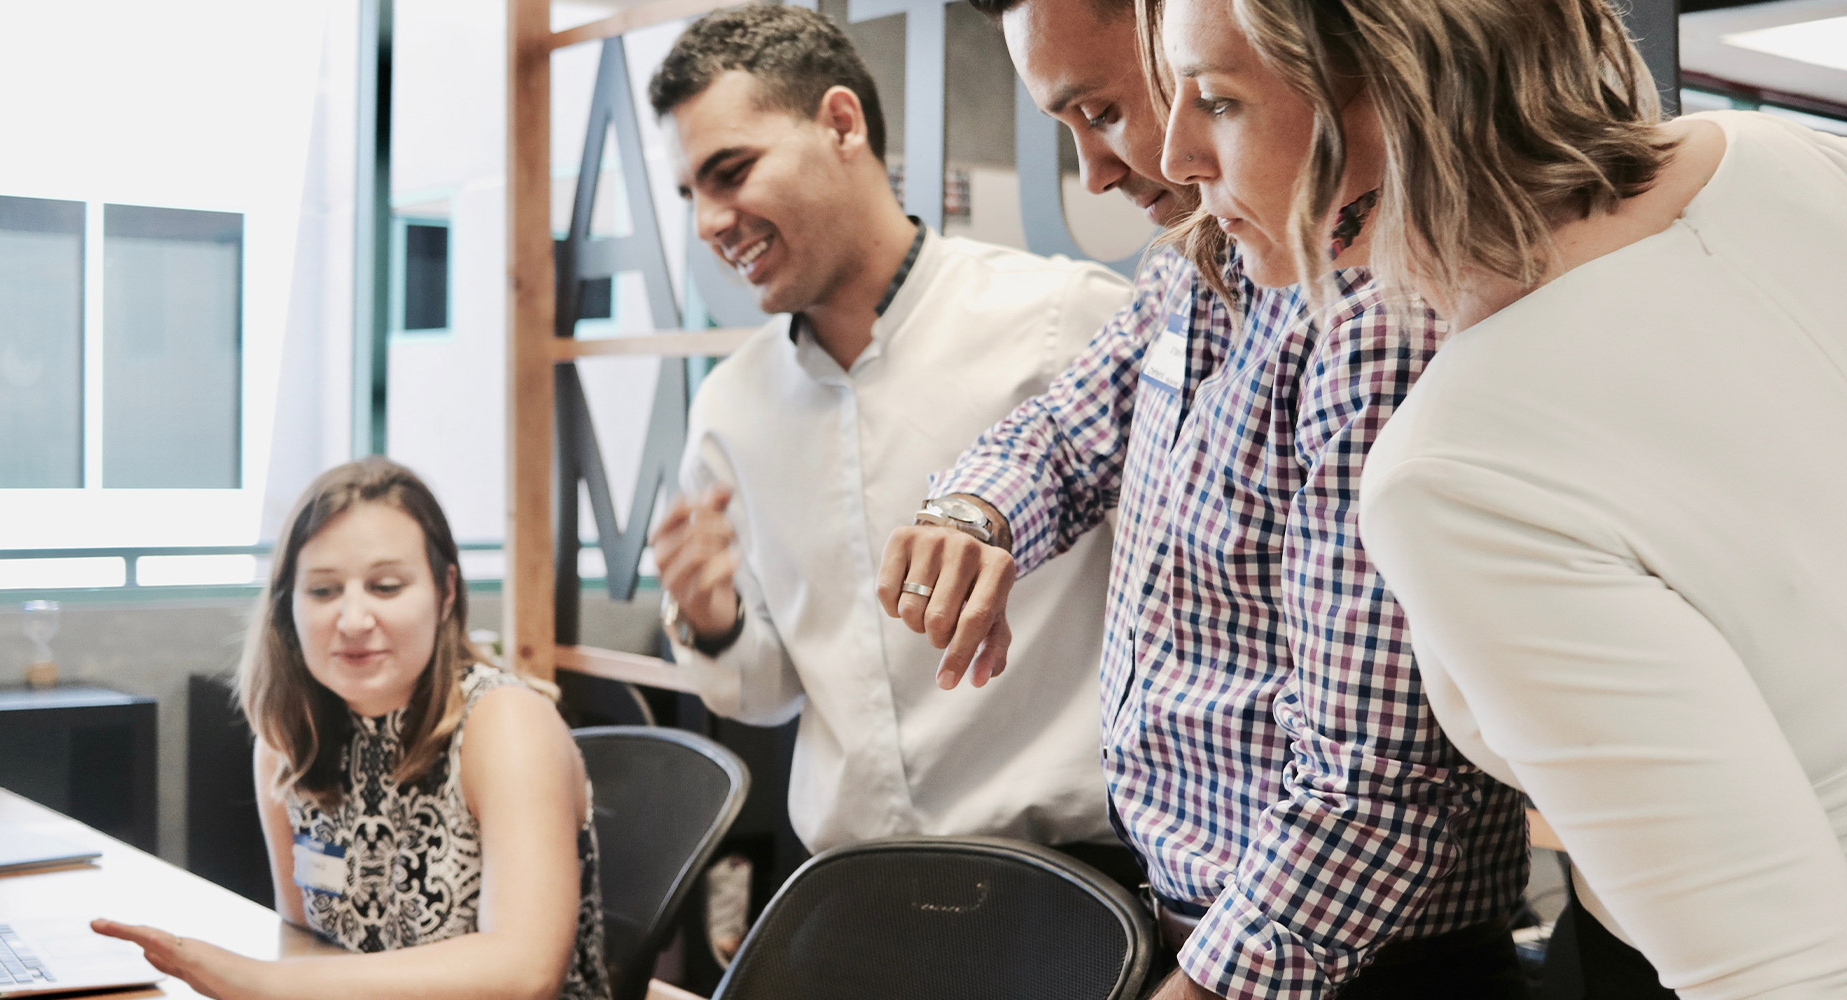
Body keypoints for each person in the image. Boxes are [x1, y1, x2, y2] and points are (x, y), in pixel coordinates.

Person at [1149, 0, 1847, 996]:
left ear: (1400, 88)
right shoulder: (1778, 157)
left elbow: (1780, 969)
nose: (1176, 155)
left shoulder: (1455, 470)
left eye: (1217, 101)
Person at [879, 0, 1535, 995]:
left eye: (1102, 111)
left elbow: (1377, 782)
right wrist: (973, 514)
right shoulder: (1209, 257)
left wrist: (1215, 981)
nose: (1100, 171)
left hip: (1349, 967)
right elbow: (1064, 428)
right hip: (1200, 927)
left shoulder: (1381, 312)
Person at [638, 2, 1133, 876]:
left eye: (731, 171)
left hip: (1070, 882)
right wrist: (710, 620)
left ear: (840, 122)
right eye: (692, 195)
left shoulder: (1065, 322)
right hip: (851, 893)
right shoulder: (731, 407)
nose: (712, 222)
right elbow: (765, 690)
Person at [93, 458, 609, 1000]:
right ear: (286, 605)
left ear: (445, 592)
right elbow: (309, 948)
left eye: (386, 587)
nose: (354, 620)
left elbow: (526, 971)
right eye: (323, 591)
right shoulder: (288, 740)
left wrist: (264, 982)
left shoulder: (505, 722)